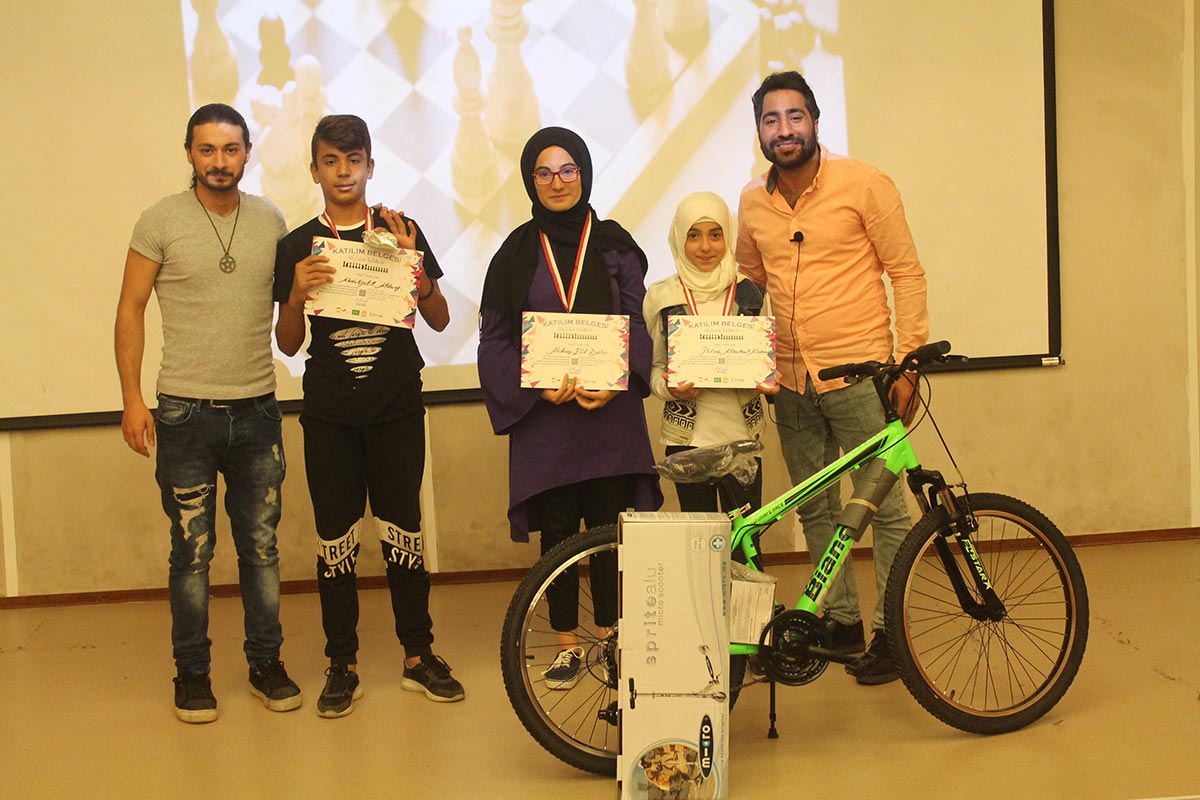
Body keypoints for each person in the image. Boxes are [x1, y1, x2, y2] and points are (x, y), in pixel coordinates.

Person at [736, 71, 929, 684]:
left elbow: (906, 273)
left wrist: (909, 361)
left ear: (815, 121)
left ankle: (891, 634)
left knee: (886, 509)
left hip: (860, 377)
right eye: (771, 119)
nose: (784, 129)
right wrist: (731, 352)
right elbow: (749, 283)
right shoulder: (751, 201)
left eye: (795, 116)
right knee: (815, 510)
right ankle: (841, 621)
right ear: (760, 131)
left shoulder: (864, 184)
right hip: (791, 384)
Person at [115, 103, 302, 723]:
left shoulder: (271, 220)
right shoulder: (159, 220)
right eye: (207, 149)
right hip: (184, 413)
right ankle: (192, 674)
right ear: (189, 153)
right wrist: (132, 399)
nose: (219, 161)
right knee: (191, 553)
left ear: (247, 152)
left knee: (261, 549)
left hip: (258, 411)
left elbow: (290, 311)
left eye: (230, 149)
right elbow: (130, 308)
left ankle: (266, 664)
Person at [274, 114, 462, 716]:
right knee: (336, 541)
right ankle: (342, 664)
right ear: (314, 171)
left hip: (396, 408)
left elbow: (440, 320)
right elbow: (286, 343)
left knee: (405, 532)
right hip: (329, 414)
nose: (343, 172)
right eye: (331, 161)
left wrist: (416, 270)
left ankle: (418, 655)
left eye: (353, 160)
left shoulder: (400, 229)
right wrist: (295, 293)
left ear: (371, 166)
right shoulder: (297, 245)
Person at [479, 126, 662, 690]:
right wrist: (533, 388)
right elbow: (496, 339)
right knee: (557, 535)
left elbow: (636, 322)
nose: (557, 182)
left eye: (567, 170)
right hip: (548, 421)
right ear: (529, 180)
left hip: (609, 417)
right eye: (544, 172)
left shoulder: (614, 245)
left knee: (609, 531)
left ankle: (610, 638)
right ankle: (565, 645)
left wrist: (619, 381)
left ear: (583, 173)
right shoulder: (514, 253)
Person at [644, 191, 777, 512]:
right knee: (697, 536)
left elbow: (767, 360)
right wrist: (670, 389)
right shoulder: (661, 296)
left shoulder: (753, 292)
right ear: (679, 237)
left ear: (728, 236)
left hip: (743, 441)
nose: (705, 247)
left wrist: (768, 379)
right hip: (686, 443)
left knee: (744, 536)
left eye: (715, 235)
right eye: (694, 235)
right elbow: (654, 367)